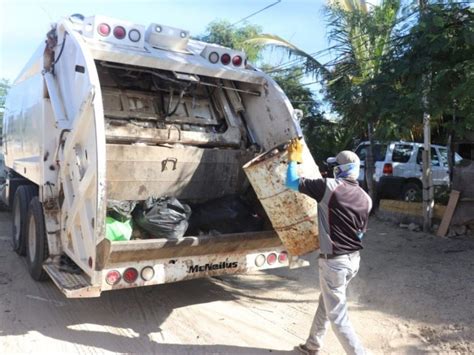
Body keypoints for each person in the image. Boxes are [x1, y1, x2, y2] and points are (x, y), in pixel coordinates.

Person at [286, 138, 372, 355]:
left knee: (338, 317)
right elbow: (360, 233)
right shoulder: (366, 198)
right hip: (353, 261)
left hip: (335, 262)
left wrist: (293, 159)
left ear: (341, 169)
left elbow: (291, 181)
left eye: (336, 165)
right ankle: (312, 345)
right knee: (326, 301)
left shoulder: (328, 187)